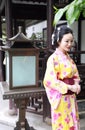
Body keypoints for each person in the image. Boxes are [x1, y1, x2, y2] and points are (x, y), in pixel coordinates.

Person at [43, 25, 81, 130]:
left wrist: (77, 84)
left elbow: (75, 75)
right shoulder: (53, 59)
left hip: (71, 98)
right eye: (67, 41)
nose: (70, 44)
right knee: (63, 126)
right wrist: (69, 87)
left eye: (71, 41)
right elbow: (49, 81)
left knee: (73, 124)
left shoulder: (69, 59)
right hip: (61, 99)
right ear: (59, 41)